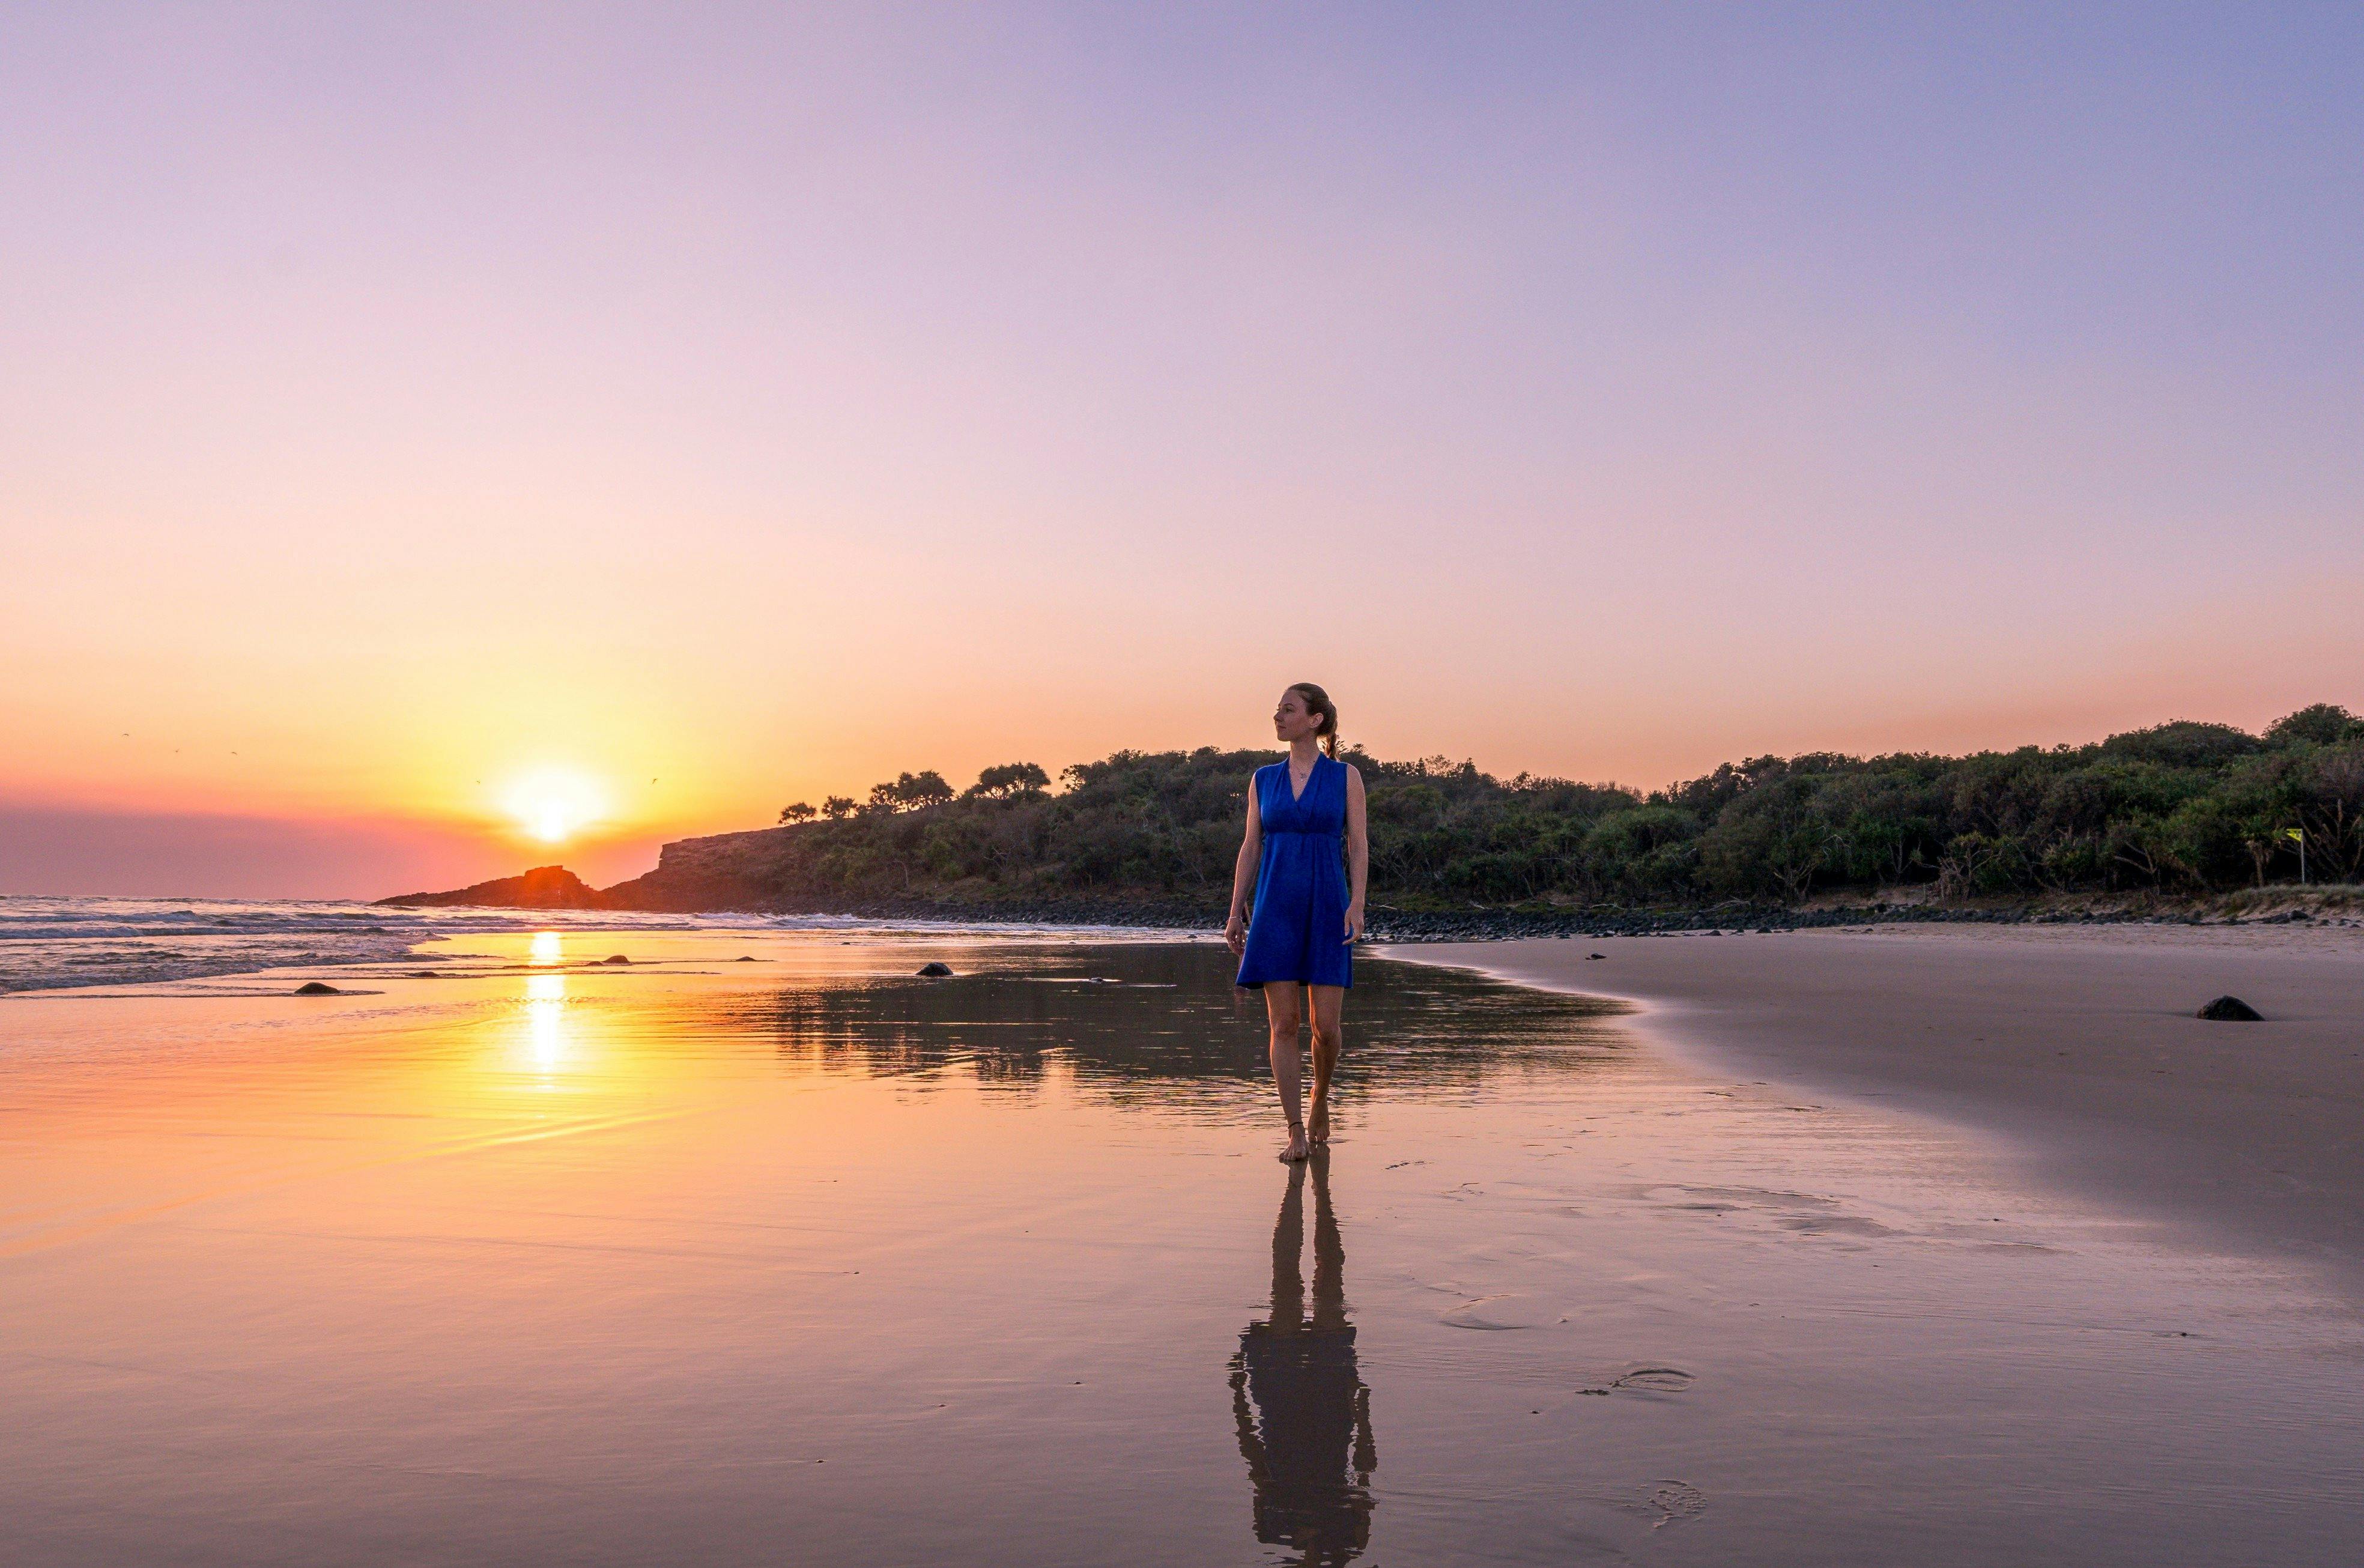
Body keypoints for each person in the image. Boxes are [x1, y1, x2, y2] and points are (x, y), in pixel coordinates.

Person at [1226, 683, 1368, 1162]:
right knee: (1283, 1024)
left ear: (1314, 719)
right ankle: (1294, 1130)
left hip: (1329, 903)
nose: (1278, 716)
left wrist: (1358, 903)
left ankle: (1320, 1098)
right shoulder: (1263, 779)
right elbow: (1251, 846)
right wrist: (1234, 911)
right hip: (1275, 907)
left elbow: (1359, 845)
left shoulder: (1346, 777)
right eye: (1277, 710)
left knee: (1325, 1027)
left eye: (1288, 709)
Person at [1230, 1155, 1377, 1564]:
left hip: (1279, 1391)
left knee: (1285, 1283)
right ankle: (1322, 1195)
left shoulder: (1273, 1526)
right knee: (1330, 1281)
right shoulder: (1349, 1536)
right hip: (1332, 1399)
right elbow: (1366, 1465)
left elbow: (1253, 1453)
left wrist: (1238, 1392)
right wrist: (1361, 1404)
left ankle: (1300, 1190)